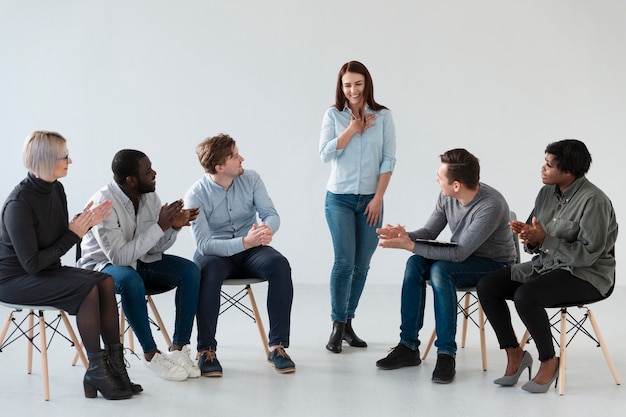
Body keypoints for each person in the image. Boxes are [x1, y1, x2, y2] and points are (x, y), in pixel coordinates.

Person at [0, 131, 139, 400]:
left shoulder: (56, 189)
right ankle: (96, 371)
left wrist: (81, 224)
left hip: (46, 270)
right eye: (64, 157)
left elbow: (54, 239)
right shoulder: (19, 204)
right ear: (46, 159)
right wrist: (74, 232)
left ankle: (115, 367)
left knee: (105, 280)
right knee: (87, 289)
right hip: (14, 280)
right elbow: (32, 263)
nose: (70, 161)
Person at [476, 139, 617, 393]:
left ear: (569, 171)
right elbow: (538, 239)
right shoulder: (545, 194)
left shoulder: (594, 201)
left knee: (526, 296)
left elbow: (588, 256)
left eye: (549, 165)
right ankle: (514, 354)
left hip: (587, 275)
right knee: (487, 285)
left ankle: (548, 361)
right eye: (545, 162)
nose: (543, 168)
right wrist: (531, 238)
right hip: (548, 266)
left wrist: (544, 240)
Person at [375, 148, 517, 384]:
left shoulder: (491, 205)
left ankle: (446, 354)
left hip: (495, 265)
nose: (437, 180)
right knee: (415, 263)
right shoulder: (446, 196)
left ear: (457, 185)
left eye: (440, 176)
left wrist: (409, 245)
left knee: (441, 270)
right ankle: (408, 345)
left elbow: (460, 253)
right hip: (462, 257)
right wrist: (404, 235)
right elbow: (430, 233)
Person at [77, 149, 201, 381]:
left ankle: (179, 348)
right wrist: (160, 227)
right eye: (147, 171)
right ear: (130, 180)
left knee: (190, 272)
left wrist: (173, 227)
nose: (154, 173)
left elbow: (153, 248)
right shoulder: (103, 204)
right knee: (130, 279)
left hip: (140, 260)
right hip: (102, 267)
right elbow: (120, 258)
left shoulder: (149, 196)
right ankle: (151, 354)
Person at [184, 133, 295, 376]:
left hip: (252, 249)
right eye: (235, 156)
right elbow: (204, 245)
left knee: (279, 265)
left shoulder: (252, 179)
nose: (242, 159)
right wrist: (244, 242)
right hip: (216, 253)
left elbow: (270, 213)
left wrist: (268, 229)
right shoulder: (195, 195)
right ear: (219, 167)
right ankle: (205, 350)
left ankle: (277, 346)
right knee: (207, 270)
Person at [319, 60, 397, 353]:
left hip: (371, 200)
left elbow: (388, 160)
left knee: (362, 265)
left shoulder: (384, 116)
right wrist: (352, 129)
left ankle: (349, 322)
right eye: (347, 84)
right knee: (344, 262)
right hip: (338, 198)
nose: (352, 89)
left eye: (358, 83)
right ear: (341, 87)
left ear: (367, 84)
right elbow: (325, 154)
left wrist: (378, 198)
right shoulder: (334, 115)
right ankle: (337, 325)